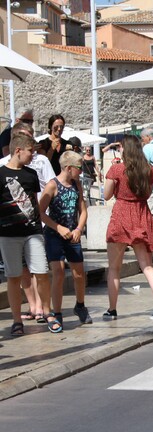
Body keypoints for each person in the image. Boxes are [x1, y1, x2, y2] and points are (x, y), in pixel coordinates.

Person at [103, 135, 153, 320]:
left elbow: (107, 195)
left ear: (125, 148)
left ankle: (112, 309)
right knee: (147, 266)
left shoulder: (116, 169)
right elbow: (147, 194)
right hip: (141, 214)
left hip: (121, 215)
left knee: (114, 268)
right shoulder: (148, 171)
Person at [0, 134, 58, 335]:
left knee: (41, 272)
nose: (33, 155)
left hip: (33, 232)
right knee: (14, 277)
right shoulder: (0, 174)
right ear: (18, 150)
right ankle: (17, 320)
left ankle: (48, 312)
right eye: (30, 151)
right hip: (8, 234)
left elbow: (34, 202)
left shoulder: (31, 175)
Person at [39, 151, 91, 327]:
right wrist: (57, 227)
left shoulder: (76, 185)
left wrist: (79, 228)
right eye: (79, 168)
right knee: (58, 271)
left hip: (72, 233)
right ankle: (58, 311)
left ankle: (80, 305)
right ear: (69, 168)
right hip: (55, 235)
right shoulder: (52, 186)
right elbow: (41, 212)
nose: (81, 171)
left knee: (78, 272)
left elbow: (83, 209)